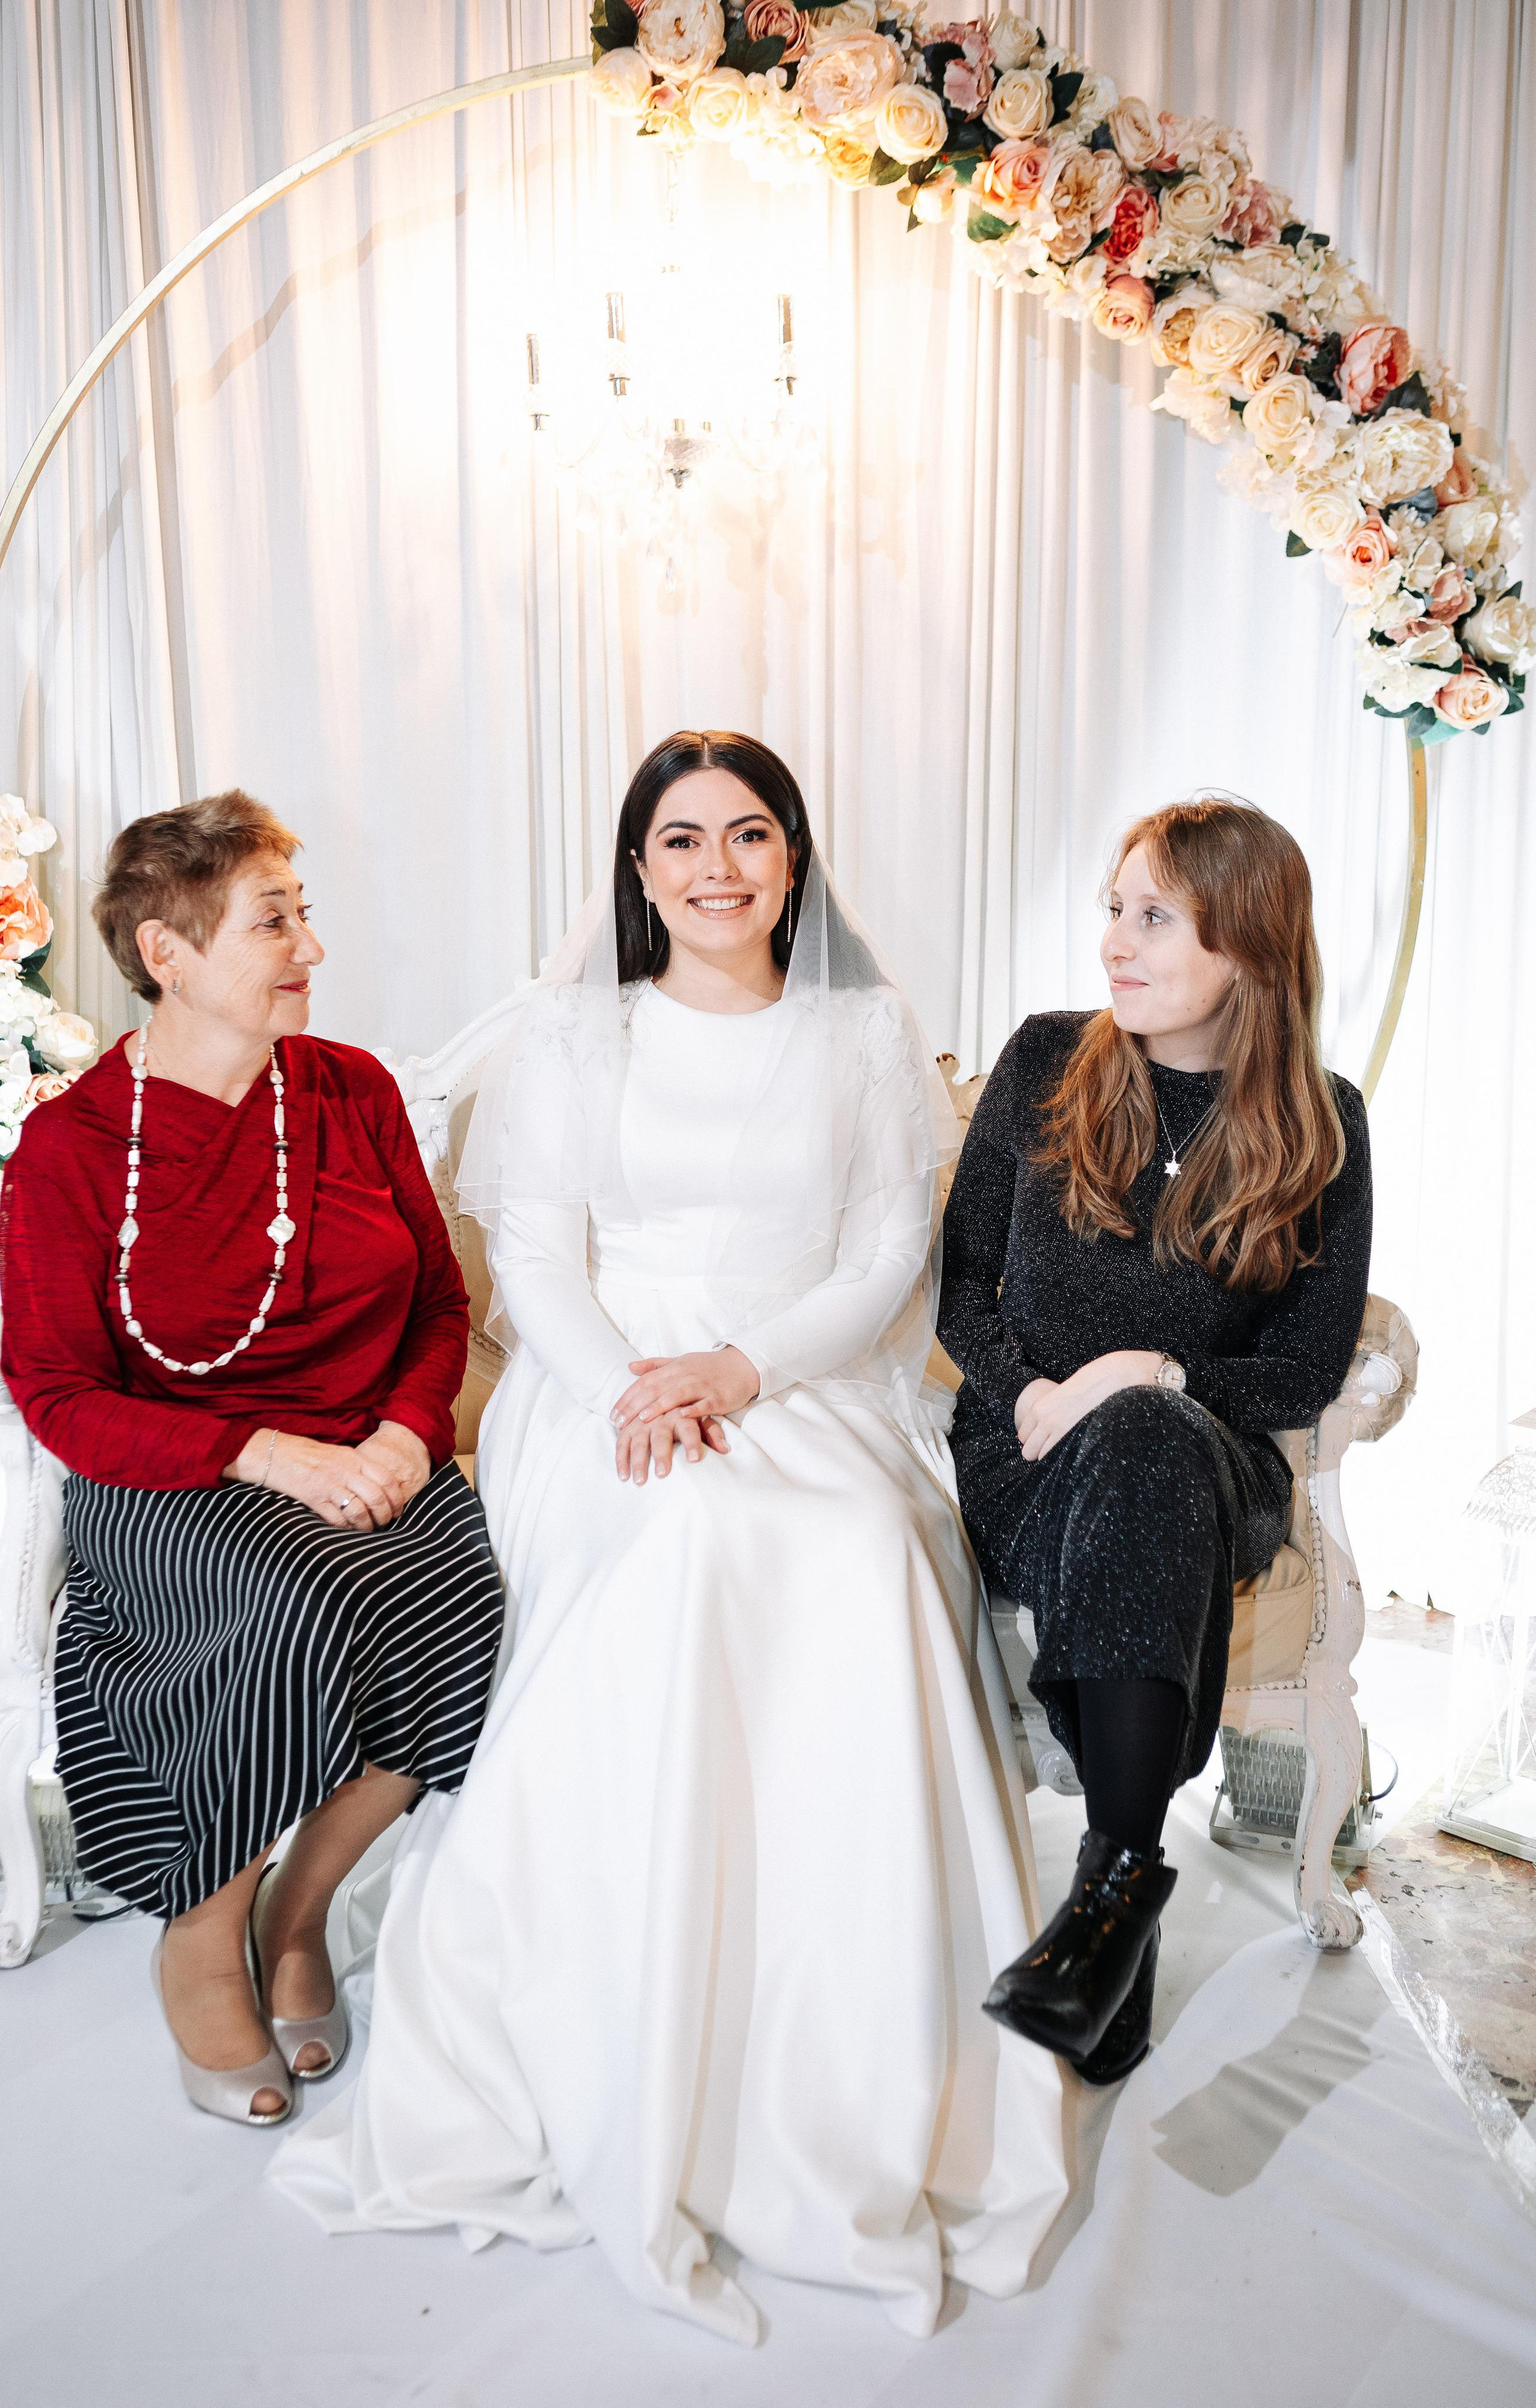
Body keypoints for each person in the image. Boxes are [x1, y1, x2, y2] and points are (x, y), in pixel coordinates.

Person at [273, 731, 1068, 2343]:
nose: (718, 868)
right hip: (598, 1394)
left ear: (793, 860)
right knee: (680, 1544)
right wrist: (638, 1392)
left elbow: (883, 1249)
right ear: (636, 870)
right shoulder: (577, 1037)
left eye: (750, 836)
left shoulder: (860, 1030)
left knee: (850, 1553)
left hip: (800, 1379)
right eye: (682, 840)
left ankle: (830, 2039)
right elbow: (541, 1259)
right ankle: (616, 2007)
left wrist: (740, 1368)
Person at [0, 791, 503, 2128]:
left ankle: (301, 1906)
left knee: (477, 1605)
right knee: (301, 1600)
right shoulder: (71, 1149)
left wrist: (407, 1431)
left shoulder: (352, 1092)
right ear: (165, 951)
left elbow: (440, 1306)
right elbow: (53, 1389)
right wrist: (260, 1453)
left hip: (374, 1458)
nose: (309, 950)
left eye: (303, 915)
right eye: (272, 922)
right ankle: (200, 1926)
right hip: (175, 1478)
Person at [937, 794, 1372, 2086]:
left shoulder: (1320, 1125)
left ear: (1247, 944)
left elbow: (1298, 1367)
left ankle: (1104, 1891)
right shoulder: (1042, 1062)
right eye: (1109, 913)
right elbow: (960, 1286)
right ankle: (1117, 1902)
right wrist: (1026, 1389)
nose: (1114, 945)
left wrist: (1147, 1373)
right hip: (1021, 1453)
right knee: (1123, 1443)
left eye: (1153, 918)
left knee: (1143, 1434)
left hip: (1201, 1461)